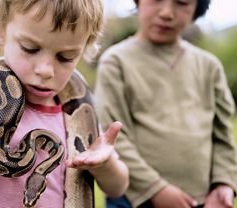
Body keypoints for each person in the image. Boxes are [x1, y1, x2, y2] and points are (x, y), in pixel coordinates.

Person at [0, 0, 129, 207]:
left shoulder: (82, 114)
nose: (45, 70)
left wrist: (104, 164)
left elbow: (118, 188)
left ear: (84, 50)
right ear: (0, 29)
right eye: (30, 49)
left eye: (65, 57)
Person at [94, 0, 237, 208]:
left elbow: (223, 135)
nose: (167, 13)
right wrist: (156, 188)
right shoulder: (116, 62)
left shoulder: (209, 66)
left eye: (182, 3)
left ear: (197, 8)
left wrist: (223, 184)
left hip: (200, 200)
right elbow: (114, 136)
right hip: (133, 198)